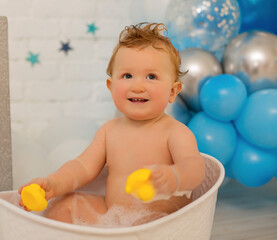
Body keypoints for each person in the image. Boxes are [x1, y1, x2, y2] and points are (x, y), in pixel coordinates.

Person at [18, 23, 205, 226]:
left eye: (151, 76)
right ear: (111, 85)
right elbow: (82, 166)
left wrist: (173, 177)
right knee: (63, 205)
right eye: (127, 76)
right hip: (113, 214)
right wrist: (54, 183)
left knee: (144, 228)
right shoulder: (110, 130)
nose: (138, 86)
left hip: (158, 221)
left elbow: (194, 168)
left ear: (172, 91)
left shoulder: (175, 132)